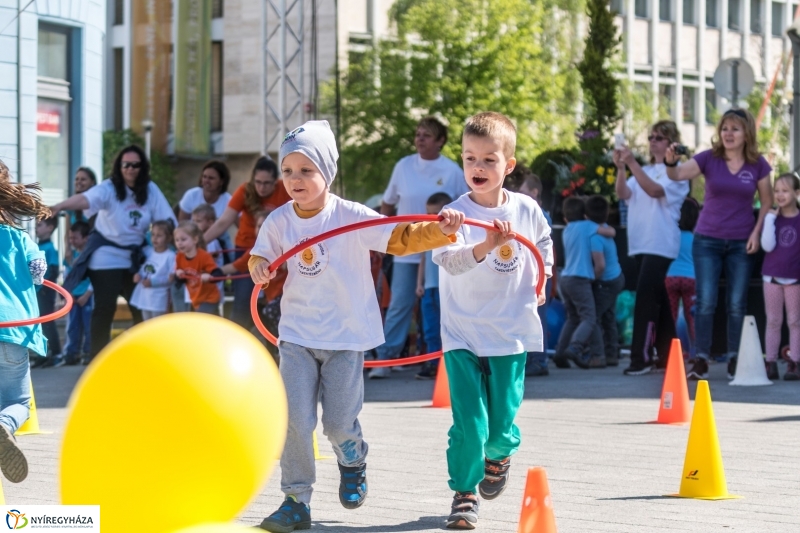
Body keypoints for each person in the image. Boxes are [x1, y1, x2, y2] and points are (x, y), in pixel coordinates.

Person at [248, 120, 465, 533]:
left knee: (337, 423)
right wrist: (259, 267)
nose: (296, 180)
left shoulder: (349, 215)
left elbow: (401, 237)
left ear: (327, 173)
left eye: (306, 170)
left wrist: (440, 231)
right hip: (296, 336)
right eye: (289, 171)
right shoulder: (278, 220)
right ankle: (296, 499)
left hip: (345, 338)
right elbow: (261, 256)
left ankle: (353, 457)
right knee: (294, 419)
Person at [431, 112, 553, 529]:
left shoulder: (528, 210)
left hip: (509, 332)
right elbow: (449, 262)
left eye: (488, 160)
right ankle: (464, 494)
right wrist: (485, 244)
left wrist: (542, 279)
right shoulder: (453, 214)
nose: (477, 168)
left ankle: (499, 456)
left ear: (509, 165)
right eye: (469, 159)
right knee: (469, 421)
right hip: (462, 331)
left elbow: (542, 246)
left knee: (501, 426)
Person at [665, 108, 773, 380]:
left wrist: (756, 233)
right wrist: (669, 162)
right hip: (707, 240)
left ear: (746, 133)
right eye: (725, 128)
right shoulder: (709, 159)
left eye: (735, 129)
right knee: (706, 302)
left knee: (737, 303)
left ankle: (735, 359)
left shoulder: (758, 164)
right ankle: (700, 358)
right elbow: (677, 175)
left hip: (741, 241)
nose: (728, 133)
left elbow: (767, 201)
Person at [51, 145, 177, 364]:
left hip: (133, 257)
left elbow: (168, 221)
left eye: (136, 165)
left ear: (142, 167)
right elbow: (84, 200)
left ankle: (147, 357)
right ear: (119, 167)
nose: (130, 169)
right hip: (106, 255)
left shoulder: (150, 189)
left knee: (140, 306)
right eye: (126, 164)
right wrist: (57, 206)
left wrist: (186, 240)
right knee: (104, 307)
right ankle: (97, 360)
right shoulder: (109, 188)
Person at [370, 117, 469, 379]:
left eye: (427, 135)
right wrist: (381, 236)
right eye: (418, 134)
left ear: (440, 141)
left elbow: (465, 207)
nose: (420, 139)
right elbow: (388, 203)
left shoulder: (452, 171)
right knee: (400, 303)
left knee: (441, 304)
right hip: (405, 245)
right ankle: (386, 358)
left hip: (438, 248)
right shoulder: (403, 166)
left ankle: (445, 358)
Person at [614, 120, 689, 376]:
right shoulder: (643, 169)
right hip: (641, 243)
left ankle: (640, 358)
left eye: (659, 137)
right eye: (651, 137)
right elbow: (623, 193)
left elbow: (656, 191)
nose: (653, 141)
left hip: (660, 242)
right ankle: (669, 355)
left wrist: (632, 164)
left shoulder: (676, 172)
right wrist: (622, 167)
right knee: (658, 299)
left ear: (671, 143)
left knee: (646, 299)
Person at [0, 161, 53, 483]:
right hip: (13, 331)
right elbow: (38, 273)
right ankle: (5, 426)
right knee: (19, 402)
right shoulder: (19, 238)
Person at [203, 157, 291, 328]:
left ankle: (272, 346)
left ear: (276, 181)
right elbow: (223, 222)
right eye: (258, 182)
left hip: (278, 250)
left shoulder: (286, 190)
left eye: (267, 183)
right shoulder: (245, 190)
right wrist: (199, 244)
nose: (261, 187)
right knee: (243, 303)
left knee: (278, 304)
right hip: (247, 249)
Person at [553, 197, 614, 369]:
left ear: (565, 218)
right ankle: (575, 347)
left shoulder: (567, 229)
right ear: (585, 215)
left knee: (573, 318)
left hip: (564, 279)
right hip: (580, 279)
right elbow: (610, 233)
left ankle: (560, 353)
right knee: (589, 317)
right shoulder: (587, 226)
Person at [760, 174, 800, 381]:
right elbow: (767, 246)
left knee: (795, 321)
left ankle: (794, 363)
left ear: (796, 193)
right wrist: (769, 219)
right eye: (777, 191)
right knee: (773, 321)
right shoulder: (772, 217)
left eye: (785, 191)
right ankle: (771, 363)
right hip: (772, 277)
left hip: (795, 278)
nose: (780, 195)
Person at [518, 171, 554, 376]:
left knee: (538, 315)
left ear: (534, 192)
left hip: (537, 272)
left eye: (523, 191)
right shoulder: (530, 213)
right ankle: (533, 358)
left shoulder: (539, 215)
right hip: (530, 271)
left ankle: (539, 360)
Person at [415, 192, 453, 380]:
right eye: (428, 214)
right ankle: (433, 362)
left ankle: (447, 364)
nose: (432, 218)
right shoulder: (428, 233)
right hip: (428, 288)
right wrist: (419, 283)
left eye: (436, 214)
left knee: (447, 327)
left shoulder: (452, 234)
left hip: (444, 288)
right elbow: (423, 258)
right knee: (430, 328)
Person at [586, 195, 625, 367]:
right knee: (609, 317)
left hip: (606, 282)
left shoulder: (595, 237)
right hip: (617, 277)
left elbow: (600, 265)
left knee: (593, 317)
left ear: (586, 216)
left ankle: (598, 354)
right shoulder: (606, 228)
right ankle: (612, 353)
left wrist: (590, 278)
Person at [665, 198, 700, 358]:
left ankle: (670, 351)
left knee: (670, 316)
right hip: (691, 279)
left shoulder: (670, 236)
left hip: (670, 277)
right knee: (691, 316)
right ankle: (695, 351)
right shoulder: (696, 239)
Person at [174, 222, 224, 315]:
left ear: (195, 239)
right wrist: (179, 275)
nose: (179, 243)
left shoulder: (204, 256)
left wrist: (209, 276)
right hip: (196, 298)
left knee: (201, 320)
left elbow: (217, 273)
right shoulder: (179, 257)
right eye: (177, 240)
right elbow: (178, 280)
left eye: (183, 239)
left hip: (210, 298)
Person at [130, 221, 176, 320]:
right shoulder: (147, 251)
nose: (155, 238)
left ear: (168, 238)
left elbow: (171, 278)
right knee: (147, 325)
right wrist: (137, 275)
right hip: (145, 297)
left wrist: (153, 282)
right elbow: (141, 268)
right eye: (153, 234)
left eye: (159, 235)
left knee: (158, 326)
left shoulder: (171, 256)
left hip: (159, 298)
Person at [32, 217, 62, 368]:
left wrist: (44, 288)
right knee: (38, 324)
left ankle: (56, 353)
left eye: (40, 225)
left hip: (45, 292)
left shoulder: (50, 248)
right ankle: (42, 354)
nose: (36, 228)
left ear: (50, 228)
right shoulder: (35, 247)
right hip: (35, 292)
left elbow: (53, 270)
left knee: (47, 322)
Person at [63, 221, 93, 366]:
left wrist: (87, 294)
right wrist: (67, 294)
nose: (72, 241)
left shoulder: (90, 256)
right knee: (72, 326)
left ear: (85, 238)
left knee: (88, 326)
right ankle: (72, 353)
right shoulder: (71, 255)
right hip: (73, 297)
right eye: (70, 238)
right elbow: (67, 276)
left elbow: (95, 278)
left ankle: (88, 352)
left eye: (75, 238)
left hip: (87, 297)